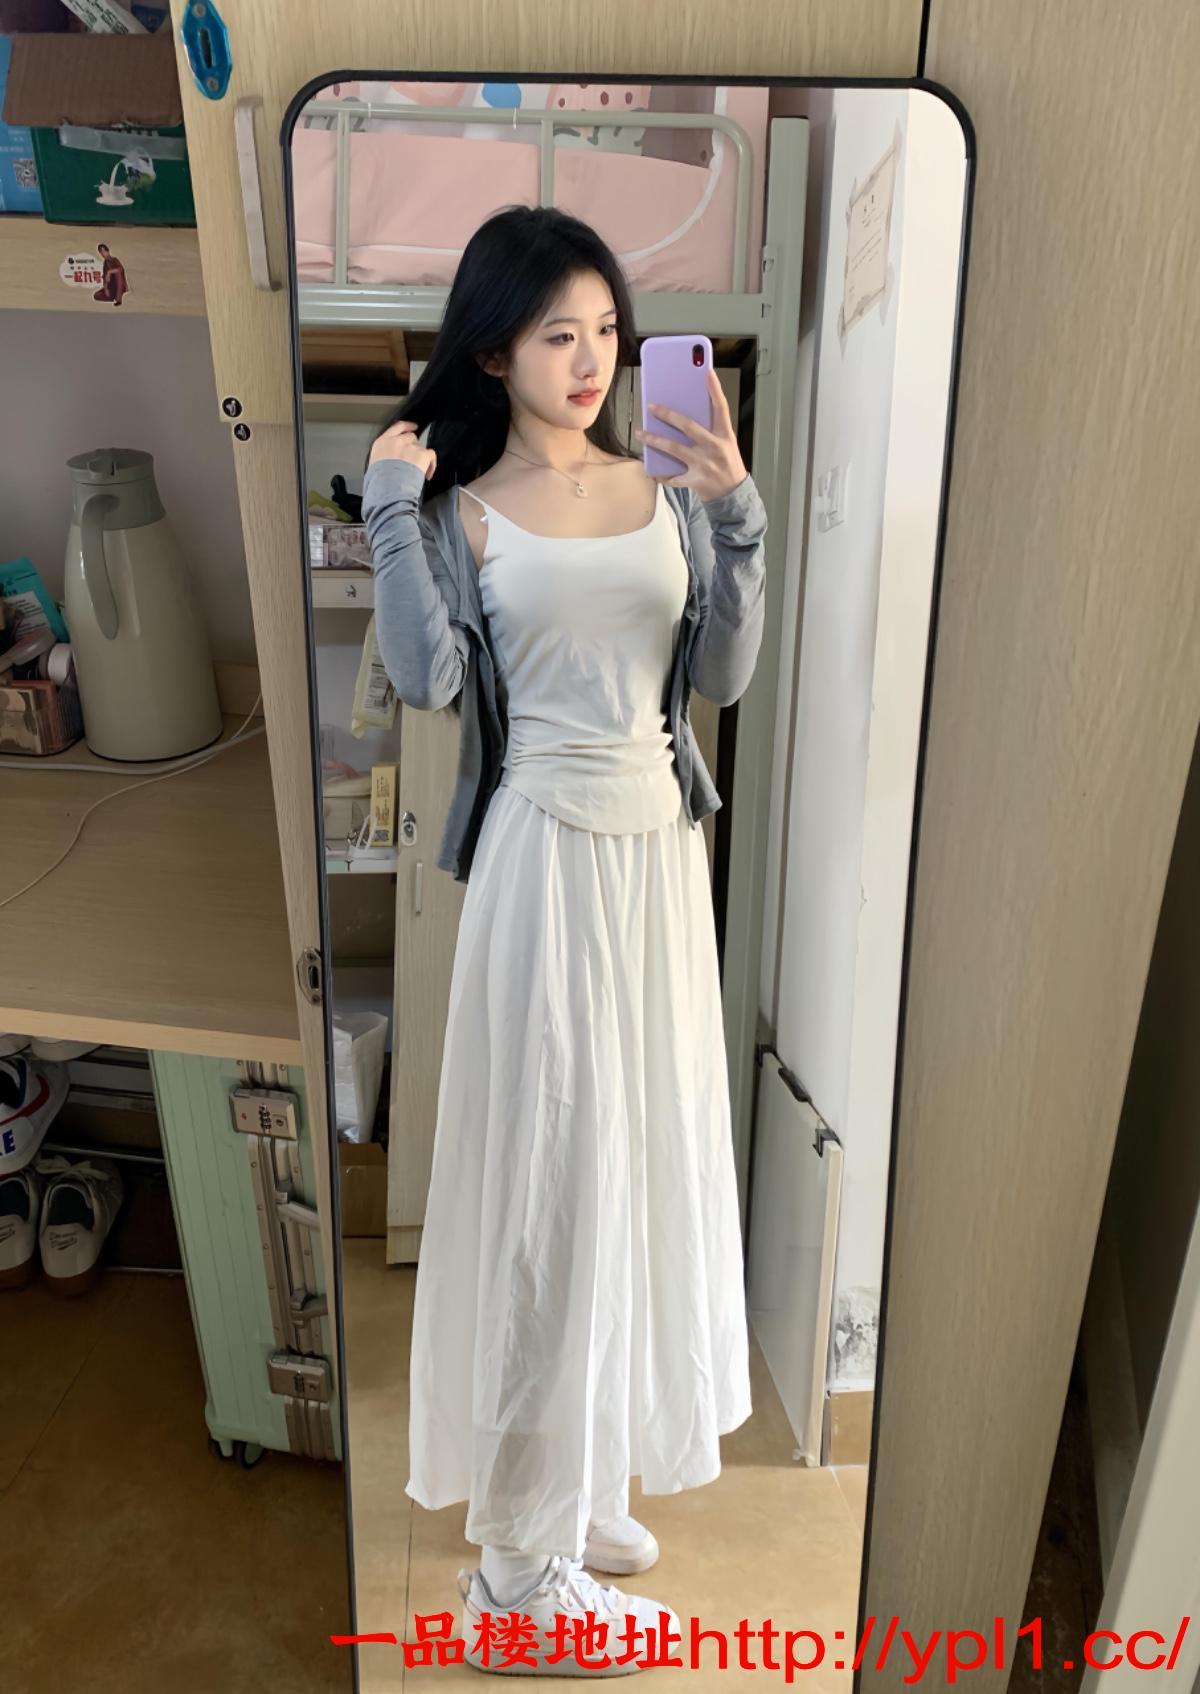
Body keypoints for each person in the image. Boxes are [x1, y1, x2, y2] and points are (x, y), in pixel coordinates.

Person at [361, 204, 768, 1675]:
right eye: (558, 334)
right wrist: (387, 509)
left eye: (606, 330)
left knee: (634, 1171)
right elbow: (423, 677)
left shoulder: (665, 487)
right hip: (543, 862)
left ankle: (579, 1482)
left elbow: (721, 671)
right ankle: (515, 1581)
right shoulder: (464, 509)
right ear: (494, 351)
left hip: (658, 862)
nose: (592, 360)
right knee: (550, 1190)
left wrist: (737, 511)